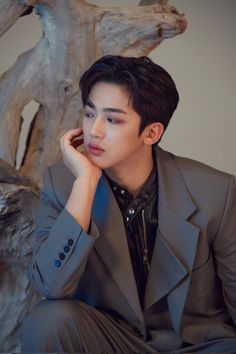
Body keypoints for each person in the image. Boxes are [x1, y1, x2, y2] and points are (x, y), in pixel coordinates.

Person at [21, 55, 236, 353]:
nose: (93, 131)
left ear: (151, 132)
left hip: (198, 346)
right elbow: (50, 287)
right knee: (47, 321)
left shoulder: (216, 191)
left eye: (112, 119)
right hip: (114, 342)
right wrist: (84, 182)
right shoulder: (62, 184)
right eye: (88, 113)